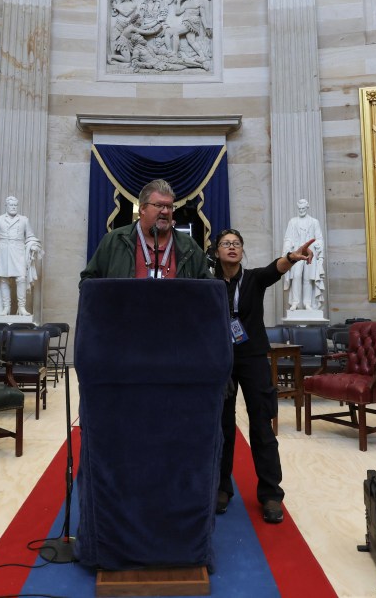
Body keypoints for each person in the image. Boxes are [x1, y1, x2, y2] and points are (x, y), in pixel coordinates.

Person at [214, 227, 315, 525]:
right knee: (222, 425)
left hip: (253, 357)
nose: (231, 247)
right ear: (217, 251)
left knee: (262, 424)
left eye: (236, 244)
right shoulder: (210, 283)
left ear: (242, 251)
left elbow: (276, 269)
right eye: (225, 244)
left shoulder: (254, 278)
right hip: (222, 360)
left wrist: (292, 258)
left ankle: (271, 493)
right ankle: (221, 488)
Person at [81, 179, 209, 280]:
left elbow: (208, 287)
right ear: (142, 208)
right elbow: (88, 282)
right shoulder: (114, 240)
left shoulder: (188, 245)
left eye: (169, 206)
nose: (165, 211)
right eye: (159, 205)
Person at [0, 196, 42, 316]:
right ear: (6, 206)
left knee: (21, 278)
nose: (13, 207)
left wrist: (33, 245)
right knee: (3, 279)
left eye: (15, 205)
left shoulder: (24, 220)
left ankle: (21, 307)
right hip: (3, 252)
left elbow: (30, 236)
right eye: (11, 205)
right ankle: (6, 308)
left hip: (18, 251)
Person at [282, 198, 325, 311]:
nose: (301, 210)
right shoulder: (292, 222)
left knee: (307, 278)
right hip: (297, 253)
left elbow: (319, 238)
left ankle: (307, 303)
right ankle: (295, 302)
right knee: (296, 276)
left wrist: (318, 246)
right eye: (299, 208)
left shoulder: (314, 222)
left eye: (303, 208)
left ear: (307, 207)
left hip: (310, 253)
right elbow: (288, 238)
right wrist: (287, 250)